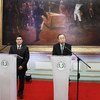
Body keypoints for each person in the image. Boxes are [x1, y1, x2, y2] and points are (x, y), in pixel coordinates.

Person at [9, 35, 29, 99]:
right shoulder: (12, 47)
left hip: (22, 68)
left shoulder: (25, 47)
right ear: (16, 41)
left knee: (21, 81)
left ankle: (20, 93)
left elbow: (27, 58)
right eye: (17, 39)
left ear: (22, 40)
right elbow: (10, 57)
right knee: (14, 81)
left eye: (20, 39)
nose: (19, 40)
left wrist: (22, 65)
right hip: (14, 68)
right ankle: (14, 92)